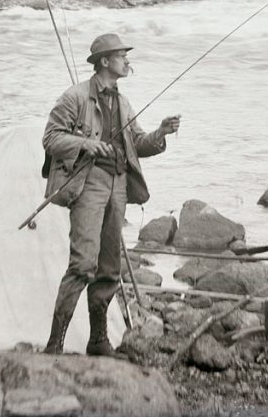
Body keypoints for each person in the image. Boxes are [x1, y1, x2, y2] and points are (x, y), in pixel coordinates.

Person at [42, 32, 180, 355]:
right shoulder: (74, 98)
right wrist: (85, 144)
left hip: (119, 186)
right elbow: (50, 139)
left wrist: (161, 132)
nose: (127, 61)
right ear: (105, 62)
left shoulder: (123, 102)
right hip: (89, 184)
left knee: (108, 266)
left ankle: (98, 340)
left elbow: (139, 145)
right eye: (122, 56)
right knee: (82, 263)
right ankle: (54, 343)